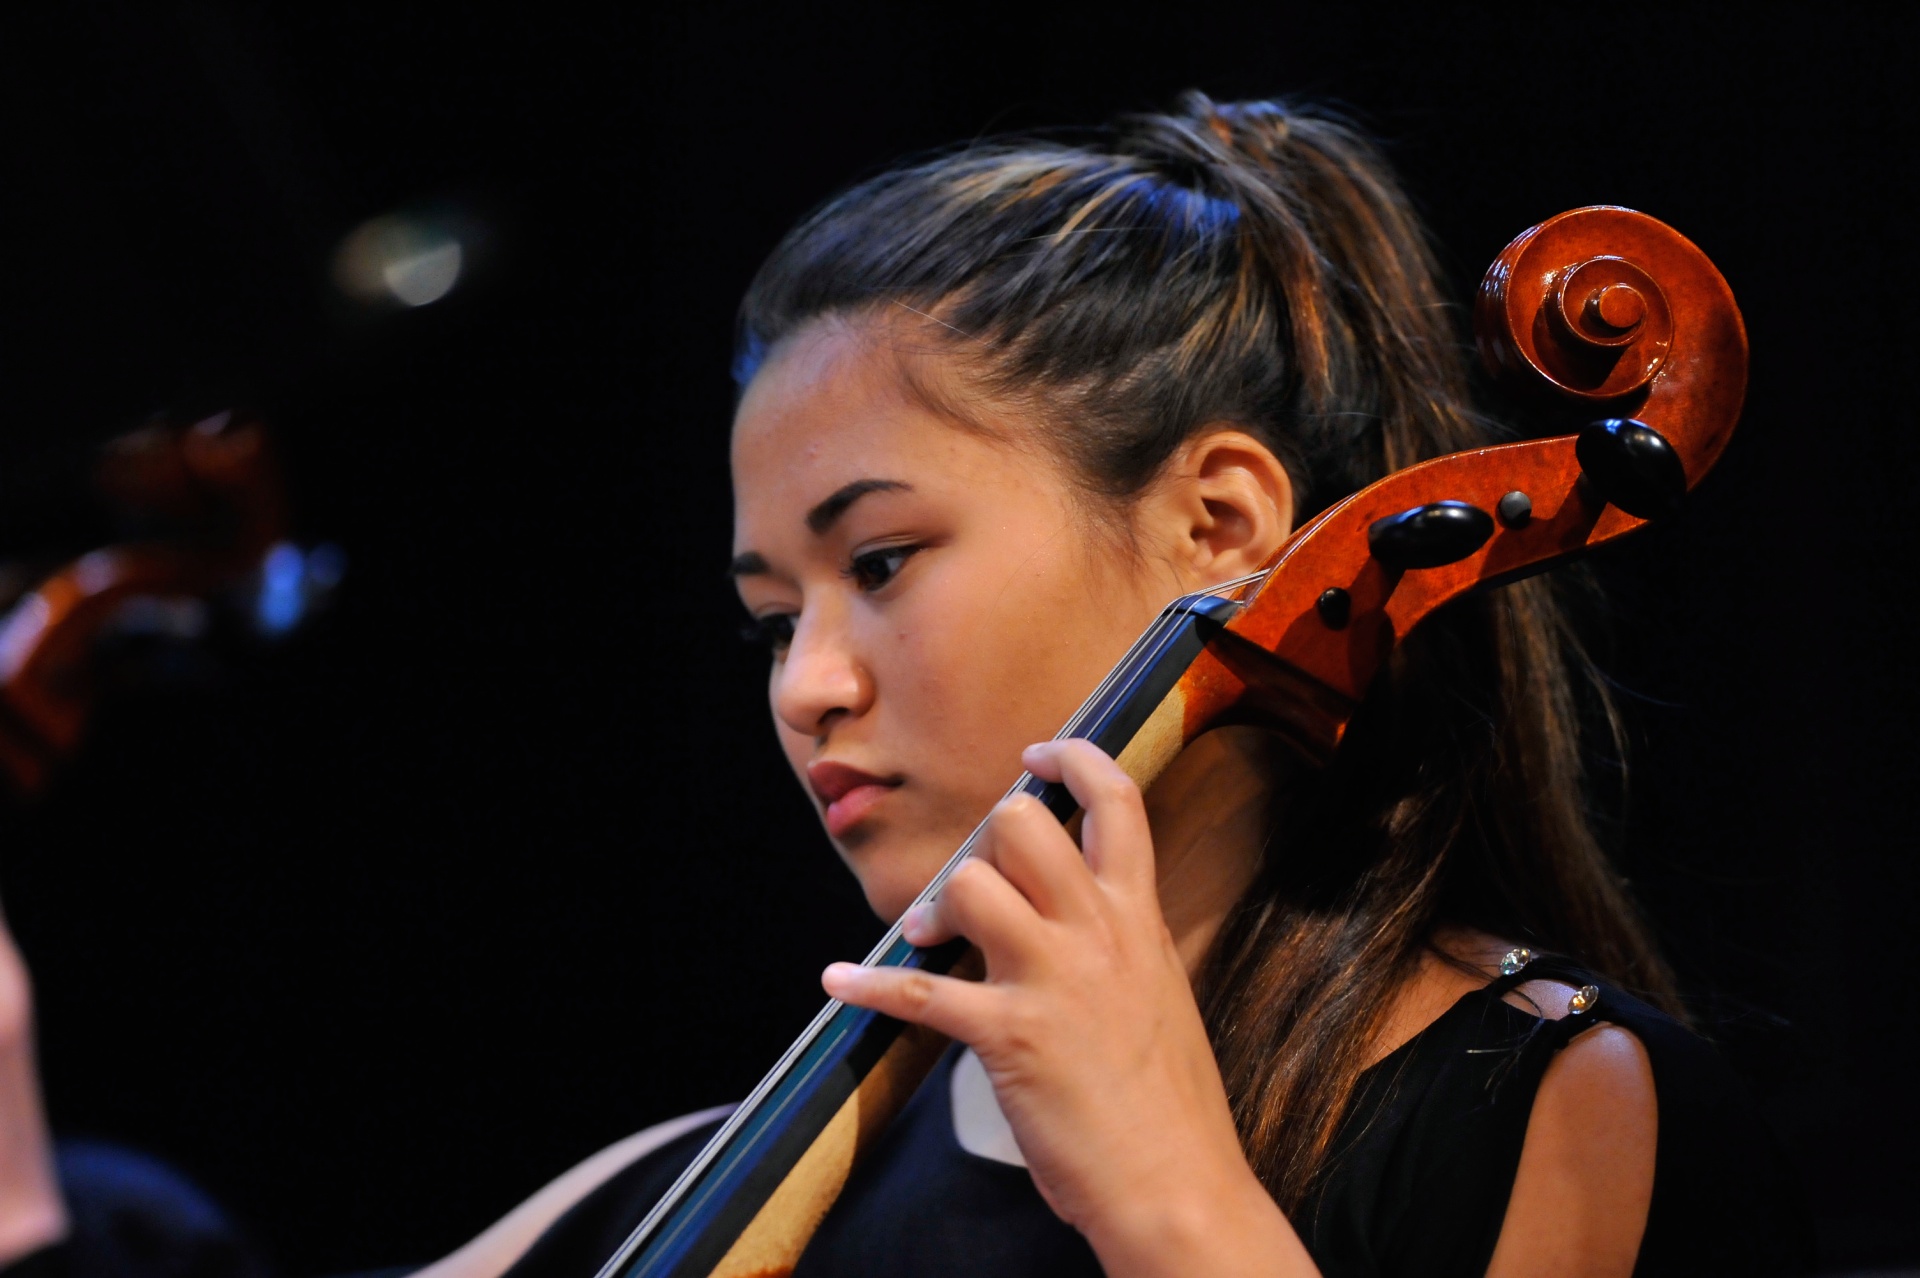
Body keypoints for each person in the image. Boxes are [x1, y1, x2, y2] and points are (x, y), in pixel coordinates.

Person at [10, 93, 1805, 1277]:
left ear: (1226, 523)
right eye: (769, 613)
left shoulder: (1547, 1098)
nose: (806, 684)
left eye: (878, 565)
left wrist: (1175, 1203)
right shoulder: (726, 1174)